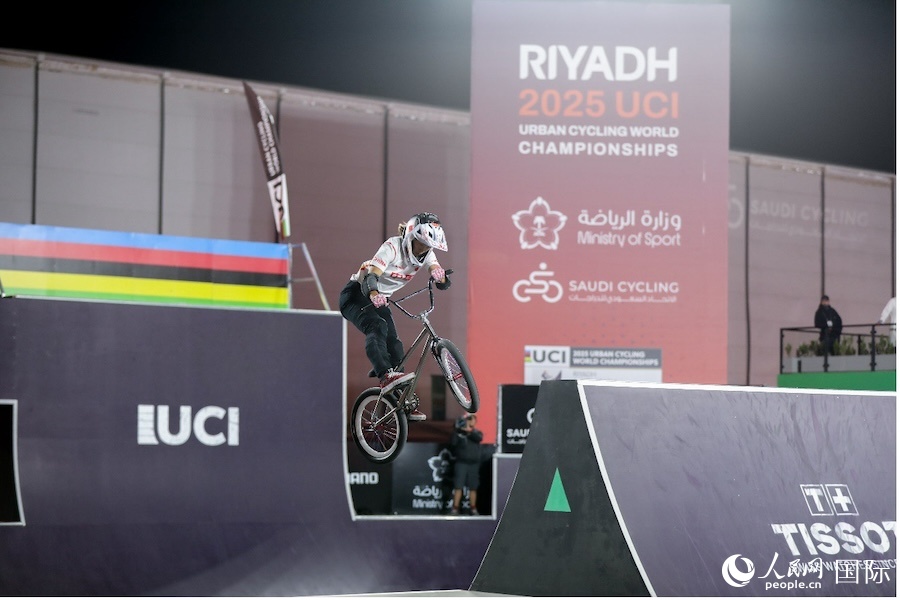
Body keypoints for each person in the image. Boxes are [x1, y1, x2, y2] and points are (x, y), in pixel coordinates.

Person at [339, 212, 450, 421]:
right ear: (411, 237)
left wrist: (440, 276)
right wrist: (374, 293)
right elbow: (371, 275)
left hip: (381, 298)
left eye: (427, 247)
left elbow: (437, 271)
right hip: (357, 294)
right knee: (377, 326)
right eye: (421, 245)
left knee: (395, 345)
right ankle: (384, 375)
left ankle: (403, 402)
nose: (423, 251)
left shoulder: (427, 253)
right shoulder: (392, 247)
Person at [449, 413, 483, 515]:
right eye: (468, 419)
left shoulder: (477, 433)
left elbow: (478, 439)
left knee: (473, 487)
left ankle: (473, 508)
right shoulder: (459, 433)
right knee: (458, 486)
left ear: (475, 422)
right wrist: (458, 430)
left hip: (473, 464)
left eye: (472, 419)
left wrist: (469, 431)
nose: (470, 421)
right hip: (461, 463)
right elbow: (453, 443)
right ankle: (455, 508)